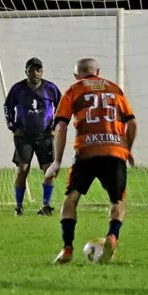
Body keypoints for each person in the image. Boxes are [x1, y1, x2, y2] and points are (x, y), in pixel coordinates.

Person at [44, 57, 137, 264]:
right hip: (115, 151)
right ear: (98, 71)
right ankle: (112, 236)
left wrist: (57, 161)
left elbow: (61, 126)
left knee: (71, 199)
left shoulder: (74, 89)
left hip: (86, 152)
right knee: (118, 201)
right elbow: (132, 123)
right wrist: (128, 150)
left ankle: (67, 248)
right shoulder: (115, 89)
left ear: (77, 75)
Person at [3, 57, 63, 216]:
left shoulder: (50, 88)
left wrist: (55, 126)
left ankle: (45, 205)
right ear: (26, 71)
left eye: (38, 70)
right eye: (31, 70)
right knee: (23, 169)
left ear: (42, 71)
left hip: (44, 136)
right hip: (24, 136)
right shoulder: (18, 89)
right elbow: (7, 107)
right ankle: (18, 206)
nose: (35, 73)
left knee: (48, 170)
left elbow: (62, 107)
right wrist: (12, 126)